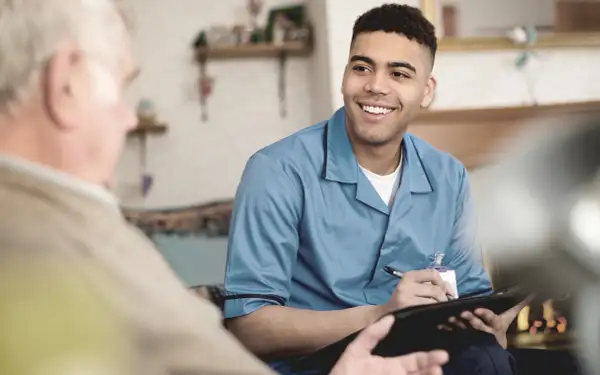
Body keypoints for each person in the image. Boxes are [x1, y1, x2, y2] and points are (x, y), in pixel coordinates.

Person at [0, 1, 449, 375]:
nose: (129, 118)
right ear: (67, 85)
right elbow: (237, 336)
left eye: (400, 74)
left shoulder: (70, 224)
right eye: (121, 87)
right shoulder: (50, 246)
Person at [223, 3, 526, 375]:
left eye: (399, 73)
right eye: (362, 67)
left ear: (426, 91)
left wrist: (486, 320)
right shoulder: (276, 171)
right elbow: (247, 328)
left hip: (421, 355)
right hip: (318, 365)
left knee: (499, 359)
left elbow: (470, 294)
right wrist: (379, 315)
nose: (376, 86)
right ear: (345, 75)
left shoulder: (450, 176)